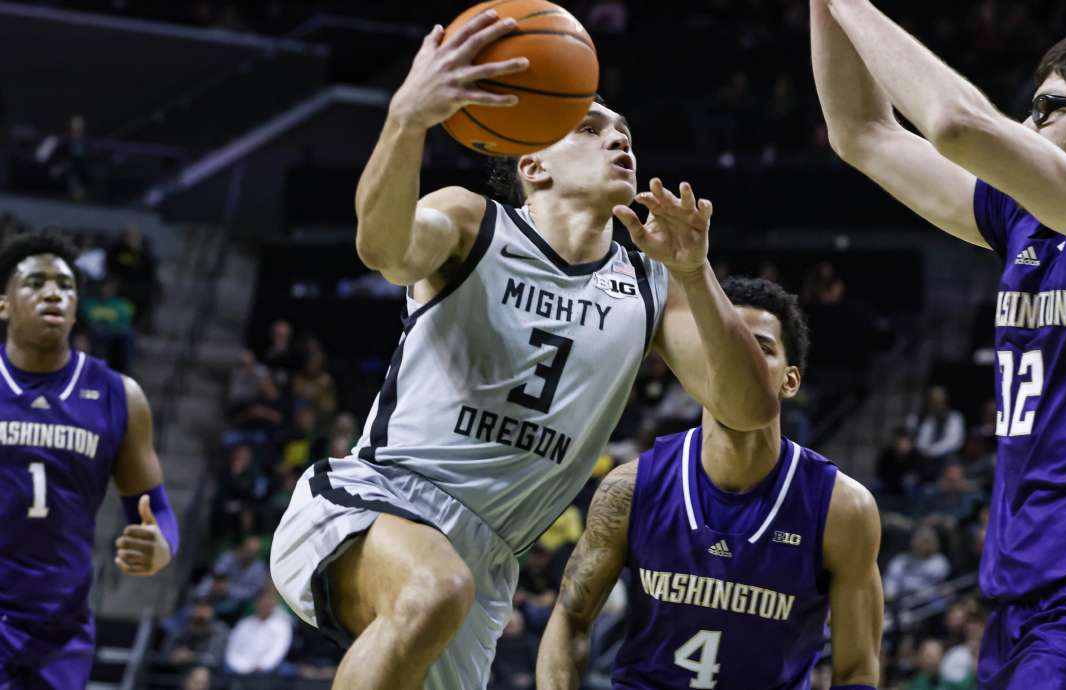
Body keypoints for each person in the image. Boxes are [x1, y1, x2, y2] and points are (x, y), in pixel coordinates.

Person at [270, 10, 777, 690]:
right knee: (433, 589)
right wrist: (408, 119)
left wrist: (694, 271)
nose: (618, 139)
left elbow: (749, 407)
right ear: (533, 161)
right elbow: (381, 248)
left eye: (624, 133)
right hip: (377, 497)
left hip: (487, 561)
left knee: (443, 591)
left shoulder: (651, 284)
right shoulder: (473, 222)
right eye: (592, 128)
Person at [810, 1, 1066, 687]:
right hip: (1023, 604)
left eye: (1047, 107)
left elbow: (955, 125)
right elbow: (861, 134)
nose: (1027, 124)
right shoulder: (1029, 223)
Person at [537, 277, 882, 689]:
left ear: (790, 380)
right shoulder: (630, 487)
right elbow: (571, 619)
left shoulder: (842, 509)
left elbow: (856, 672)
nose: (737, 362)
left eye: (760, 349)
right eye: (723, 345)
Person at [0, 231, 178, 689]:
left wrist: (162, 546)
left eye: (65, 285)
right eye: (34, 283)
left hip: (60, 627)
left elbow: (153, 505)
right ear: (4, 304)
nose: (52, 293)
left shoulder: (120, 396)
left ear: (77, 306)